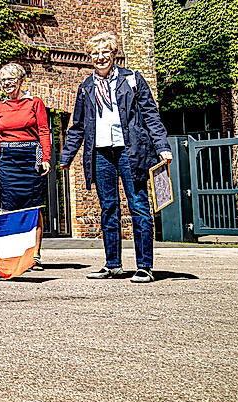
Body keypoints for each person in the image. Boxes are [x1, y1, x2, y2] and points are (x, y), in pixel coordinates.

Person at [60, 33, 171, 284]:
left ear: (113, 54)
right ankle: (113, 264)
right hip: (101, 152)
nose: (100, 58)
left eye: (104, 52)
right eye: (94, 54)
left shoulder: (131, 79)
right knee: (108, 207)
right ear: (90, 58)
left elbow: (151, 115)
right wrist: (67, 156)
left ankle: (144, 266)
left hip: (130, 151)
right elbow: (77, 126)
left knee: (138, 205)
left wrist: (162, 146)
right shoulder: (87, 86)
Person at [0, 63, 51, 271]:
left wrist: (46, 158)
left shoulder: (35, 103)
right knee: (9, 206)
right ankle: (12, 254)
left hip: (30, 157)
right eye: (3, 79)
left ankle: (35, 255)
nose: (6, 83)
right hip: (7, 159)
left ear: (21, 80)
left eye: (11, 79)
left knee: (33, 206)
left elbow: (43, 131)